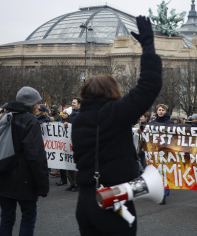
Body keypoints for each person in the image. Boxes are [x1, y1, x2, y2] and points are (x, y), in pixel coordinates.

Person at [71, 16, 162, 235]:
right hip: (113, 198)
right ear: (112, 92)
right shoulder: (115, 113)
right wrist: (148, 45)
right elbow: (149, 84)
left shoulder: (78, 119)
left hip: (85, 200)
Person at [0, 86, 49, 235]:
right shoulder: (29, 120)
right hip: (23, 180)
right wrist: (43, 185)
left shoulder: (1, 118)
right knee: (28, 216)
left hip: (1, 177)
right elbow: (35, 156)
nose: (38, 106)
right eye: (37, 103)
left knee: (6, 217)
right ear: (31, 104)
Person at [151, 103, 174, 204]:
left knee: (165, 174)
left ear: (166, 111)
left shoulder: (171, 123)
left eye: (162, 110)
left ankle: (164, 194)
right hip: (154, 152)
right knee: (156, 174)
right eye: (159, 110)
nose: (160, 112)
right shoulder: (152, 123)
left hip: (166, 152)